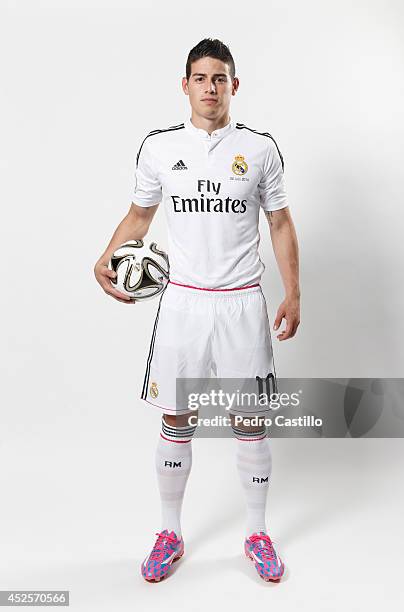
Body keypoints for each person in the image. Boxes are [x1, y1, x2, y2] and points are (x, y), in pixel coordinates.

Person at [94, 38, 300, 583]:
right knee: (176, 418)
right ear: (184, 84)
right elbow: (139, 216)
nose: (210, 88)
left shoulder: (258, 149)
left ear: (234, 86)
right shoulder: (160, 148)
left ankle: (257, 533)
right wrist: (106, 256)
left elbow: (279, 223)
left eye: (220, 78)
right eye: (200, 78)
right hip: (182, 305)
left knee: (248, 421)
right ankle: (170, 533)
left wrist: (294, 292)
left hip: (241, 305)